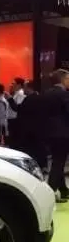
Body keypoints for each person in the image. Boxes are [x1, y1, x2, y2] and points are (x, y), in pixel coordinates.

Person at [41, 69, 69, 203]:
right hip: (63, 132)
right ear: (62, 79)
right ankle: (50, 192)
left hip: (49, 132)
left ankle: (64, 190)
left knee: (58, 161)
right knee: (59, 162)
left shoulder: (46, 94)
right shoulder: (64, 94)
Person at [18, 80, 47, 172]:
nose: (23, 89)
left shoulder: (28, 99)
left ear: (29, 88)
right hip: (39, 127)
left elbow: (20, 111)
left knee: (30, 149)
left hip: (29, 128)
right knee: (39, 147)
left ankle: (32, 167)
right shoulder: (40, 97)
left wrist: (10, 99)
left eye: (24, 87)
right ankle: (43, 166)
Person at [7, 77, 26, 150]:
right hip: (13, 120)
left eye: (13, 83)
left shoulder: (20, 94)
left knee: (14, 142)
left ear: (19, 85)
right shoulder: (16, 93)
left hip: (15, 121)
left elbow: (18, 108)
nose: (12, 85)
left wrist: (10, 98)